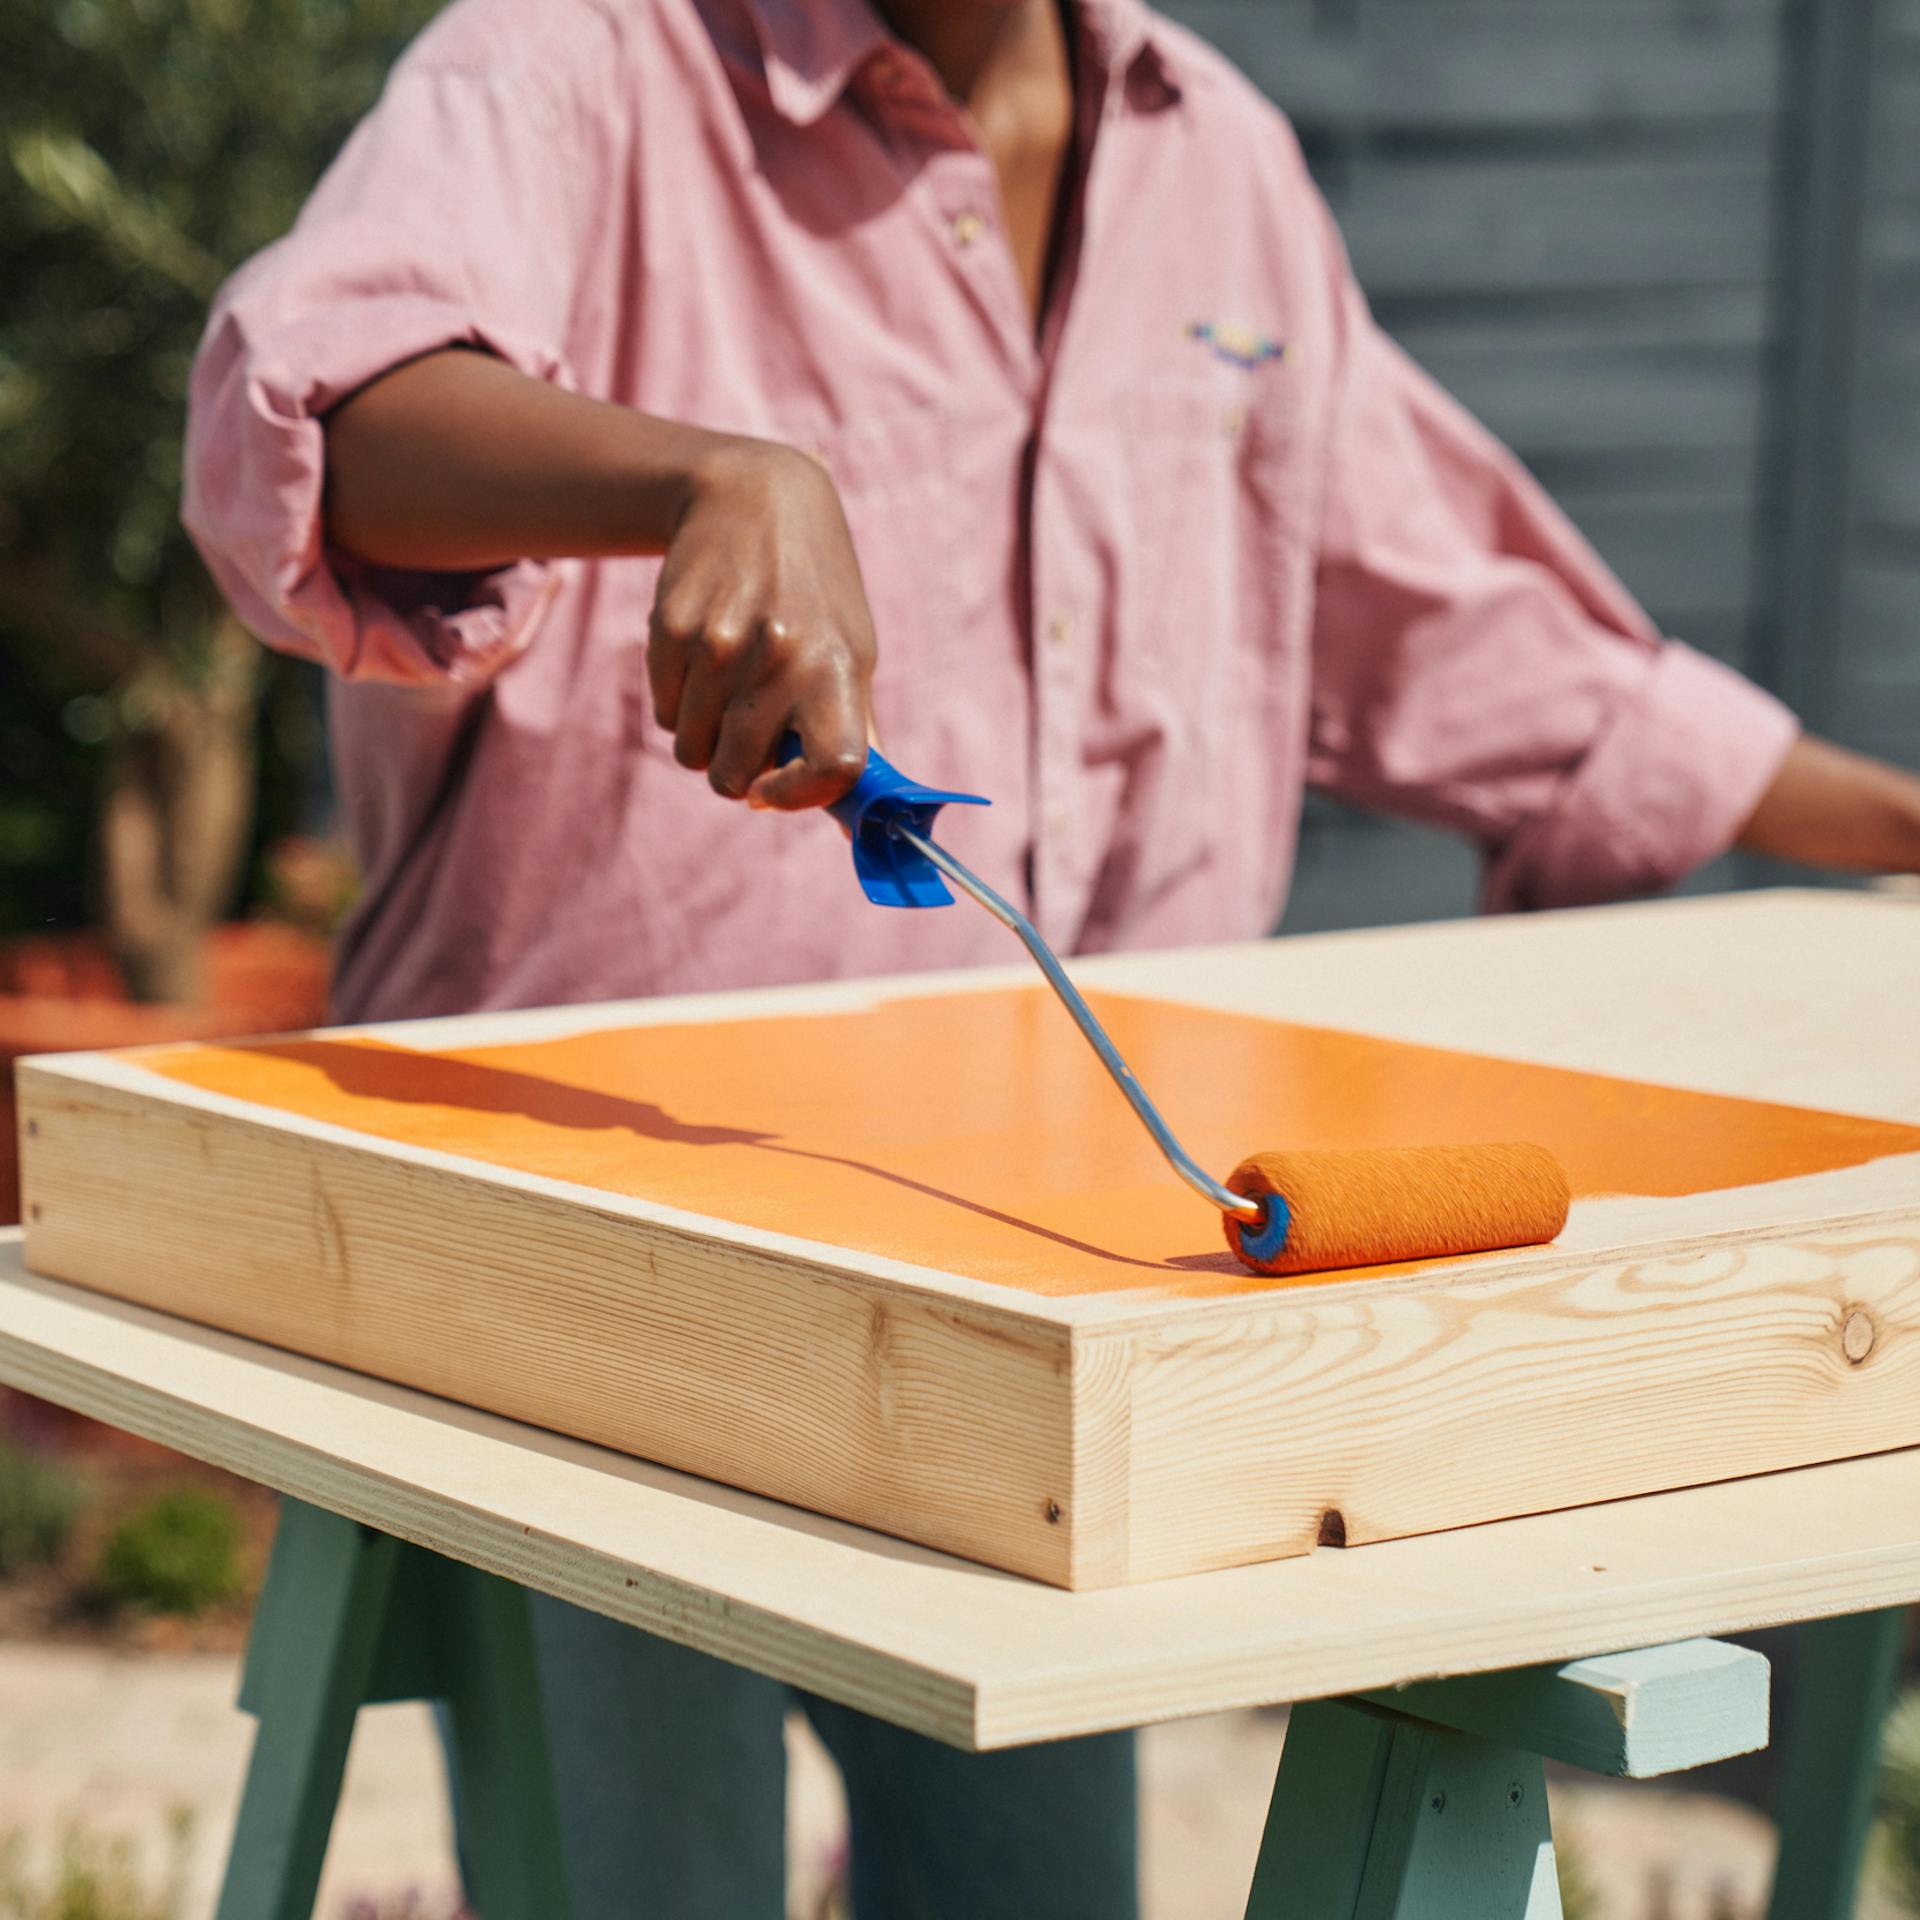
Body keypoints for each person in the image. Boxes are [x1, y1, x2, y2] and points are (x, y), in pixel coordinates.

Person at [182, 0, 1920, 1911]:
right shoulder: (575, 61)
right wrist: (707, 477)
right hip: (604, 1288)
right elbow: (316, 419)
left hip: (1070, 1315)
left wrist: (1893, 822)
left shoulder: (1218, 157)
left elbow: (1441, 613)